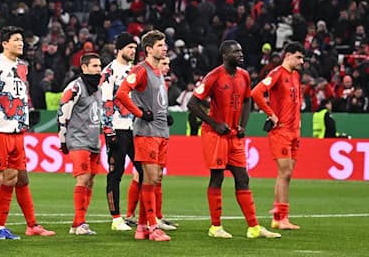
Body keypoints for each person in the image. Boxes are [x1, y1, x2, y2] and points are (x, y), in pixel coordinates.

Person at [188, 40, 280, 240]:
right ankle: (215, 227)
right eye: (236, 51)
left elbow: (247, 100)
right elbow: (192, 103)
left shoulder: (244, 75)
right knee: (217, 178)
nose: (241, 53)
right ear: (225, 55)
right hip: (215, 135)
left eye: (241, 50)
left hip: (233, 135)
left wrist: (243, 126)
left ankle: (254, 227)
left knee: (242, 178)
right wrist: (214, 123)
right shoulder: (214, 76)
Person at [0, 26, 54, 240]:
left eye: (22, 40)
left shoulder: (23, 66)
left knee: (11, 178)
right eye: (16, 40)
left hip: (17, 131)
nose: (21, 43)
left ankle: (0, 225)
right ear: (5, 43)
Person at [115, 30, 171, 242]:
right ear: (148, 49)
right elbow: (121, 93)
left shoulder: (159, 72)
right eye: (159, 45)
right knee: (149, 178)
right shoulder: (141, 70)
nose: (164, 48)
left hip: (160, 132)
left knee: (155, 179)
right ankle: (153, 226)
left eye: (164, 45)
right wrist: (139, 112)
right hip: (146, 133)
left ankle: (141, 227)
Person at [251, 42, 303, 230]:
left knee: (286, 175)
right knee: (285, 172)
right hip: (280, 131)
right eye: (298, 57)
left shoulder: (295, 76)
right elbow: (256, 92)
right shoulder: (276, 74)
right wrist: (270, 114)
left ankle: (279, 216)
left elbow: (296, 102)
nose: (301, 61)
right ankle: (282, 218)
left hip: (294, 131)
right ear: (287, 55)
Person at [100, 32, 143, 231]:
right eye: (129, 47)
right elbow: (106, 101)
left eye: (135, 48)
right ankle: (116, 218)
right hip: (117, 127)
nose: (133, 51)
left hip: (135, 128)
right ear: (119, 49)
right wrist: (108, 130)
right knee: (115, 174)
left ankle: (138, 215)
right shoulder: (110, 71)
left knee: (145, 172)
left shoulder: (136, 70)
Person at [58, 52, 104, 236]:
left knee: (91, 181)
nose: (98, 70)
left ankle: (76, 224)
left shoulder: (98, 89)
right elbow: (63, 111)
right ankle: (81, 223)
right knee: (83, 178)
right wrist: (62, 138)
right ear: (84, 68)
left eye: (100, 66)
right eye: (94, 66)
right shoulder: (75, 87)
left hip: (93, 140)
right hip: (78, 140)